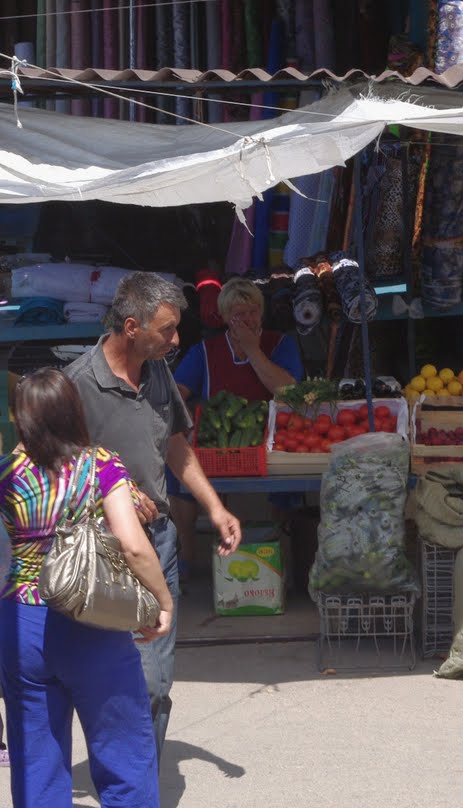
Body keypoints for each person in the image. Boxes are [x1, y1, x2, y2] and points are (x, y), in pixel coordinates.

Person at [64, 272, 242, 764]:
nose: (176, 339)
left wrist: (214, 506)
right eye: (167, 330)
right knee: (106, 677)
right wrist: (113, 495)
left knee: (153, 679)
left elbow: (177, 446)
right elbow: (60, 473)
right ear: (131, 327)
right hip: (100, 552)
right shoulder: (78, 385)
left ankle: (137, 782)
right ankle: (120, 775)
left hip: (158, 542)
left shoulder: (159, 371)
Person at [0, 369, 174, 807]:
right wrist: (162, 600)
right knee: (124, 754)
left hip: (22, 623)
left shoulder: (6, 475)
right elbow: (134, 547)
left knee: (36, 760)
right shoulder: (100, 464)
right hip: (90, 618)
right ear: (72, 411)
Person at [170, 277, 302, 575]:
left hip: (271, 438)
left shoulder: (280, 343)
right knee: (176, 465)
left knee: (291, 471)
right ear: (225, 317)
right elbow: (177, 392)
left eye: (252, 311)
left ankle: (279, 548)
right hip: (219, 442)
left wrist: (254, 350)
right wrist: (185, 424)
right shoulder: (205, 351)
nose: (245, 319)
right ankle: (188, 553)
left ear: (262, 313)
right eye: (237, 313)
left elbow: (289, 392)